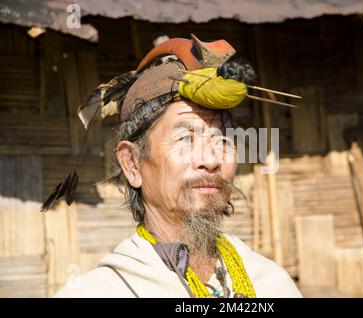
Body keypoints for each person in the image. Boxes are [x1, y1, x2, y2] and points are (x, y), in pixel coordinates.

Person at [54, 35, 302, 298]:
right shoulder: (101, 292)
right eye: (185, 138)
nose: (210, 160)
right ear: (132, 164)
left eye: (223, 138)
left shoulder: (271, 284)